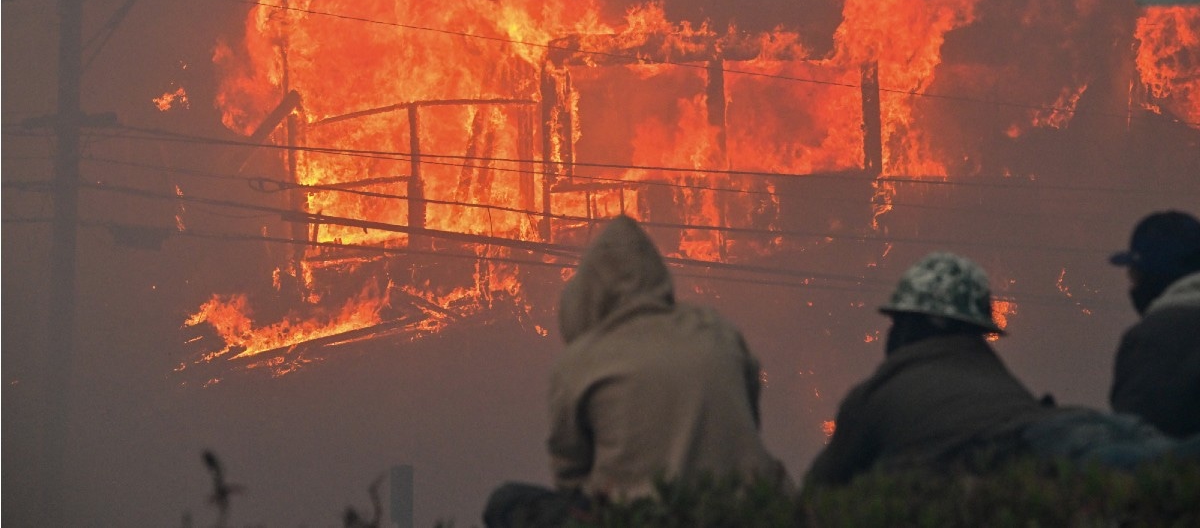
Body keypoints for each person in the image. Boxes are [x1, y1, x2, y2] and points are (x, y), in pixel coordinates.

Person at [484, 215, 787, 526]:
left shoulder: (579, 363)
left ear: (590, 295)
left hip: (639, 517)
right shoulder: (717, 331)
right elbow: (750, 417)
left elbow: (570, 476)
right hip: (749, 507)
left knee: (506, 502)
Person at [804, 252, 1054, 488]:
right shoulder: (1013, 393)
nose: (891, 333)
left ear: (915, 323)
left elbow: (819, 491)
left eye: (898, 321)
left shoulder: (877, 397)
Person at [1107, 210, 1200, 439]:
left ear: (1153, 275)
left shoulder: (1151, 340)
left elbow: (1138, 443)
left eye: (1135, 274)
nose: (1131, 284)